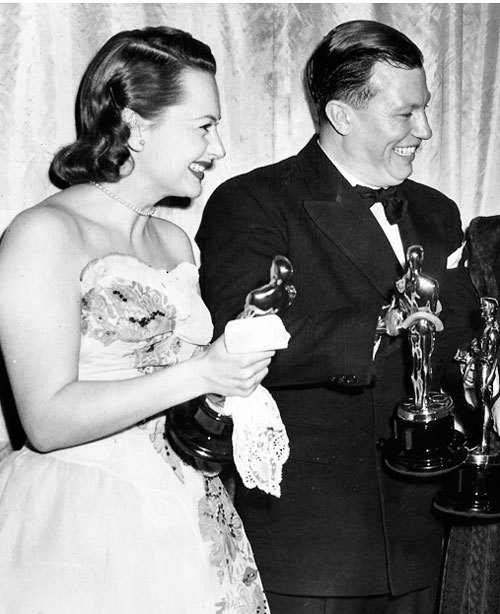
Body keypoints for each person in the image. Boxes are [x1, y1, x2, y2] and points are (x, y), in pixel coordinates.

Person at [196, 19, 476, 614]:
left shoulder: (438, 211)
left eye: (423, 111)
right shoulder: (253, 202)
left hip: (426, 536)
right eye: (406, 114)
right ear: (342, 116)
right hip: (313, 550)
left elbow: (459, 347)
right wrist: (386, 324)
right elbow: (248, 342)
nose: (424, 130)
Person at [0, 26, 275, 613]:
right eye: (204, 126)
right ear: (136, 126)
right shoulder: (42, 235)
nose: (219, 148)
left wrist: (232, 384)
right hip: (83, 522)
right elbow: (44, 421)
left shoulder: (176, 243)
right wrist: (203, 373)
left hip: (184, 511)